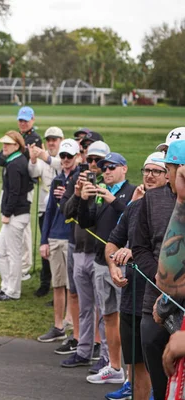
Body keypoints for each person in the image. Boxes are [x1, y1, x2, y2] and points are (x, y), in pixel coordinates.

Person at [103, 153, 167, 400]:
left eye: (157, 171)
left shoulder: (174, 208)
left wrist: (137, 251)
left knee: (160, 367)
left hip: (157, 302)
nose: (150, 175)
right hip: (131, 296)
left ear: (169, 176)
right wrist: (113, 265)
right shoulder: (134, 207)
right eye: (146, 170)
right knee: (136, 368)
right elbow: (112, 242)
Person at [132, 139, 185, 400]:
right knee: (161, 378)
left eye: (170, 165)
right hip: (155, 302)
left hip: (177, 307)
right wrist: (159, 278)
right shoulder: (151, 200)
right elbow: (139, 247)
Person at [78, 152, 136, 385]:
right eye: (104, 168)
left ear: (124, 169)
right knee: (108, 316)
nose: (107, 171)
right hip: (102, 263)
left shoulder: (132, 192)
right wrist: (83, 199)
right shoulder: (100, 192)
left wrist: (111, 200)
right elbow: (85, 222)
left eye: (112, 167)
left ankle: (131, 375)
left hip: (124, 265)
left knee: (128, 319)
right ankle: (114, 367)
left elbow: (133, 217)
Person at [60, 140, 111, 371]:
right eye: (89, 159)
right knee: (85, 306)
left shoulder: (109, 185)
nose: (92, 165)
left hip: (99, 254)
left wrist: (98, 194)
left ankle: (107, 356)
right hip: (79, 250)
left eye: (98, 161)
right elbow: (67, 213)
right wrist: (79, 194)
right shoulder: (78, 181)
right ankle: (83, 350)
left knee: (105, 308)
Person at [37, 139, 79, 343]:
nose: (65, 160)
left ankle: (72, 324)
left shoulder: (81, 180)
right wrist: (43, 240)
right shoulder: (56, 180)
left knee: (73, 286)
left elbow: (78, 211)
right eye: (62, 156)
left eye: (69, 156)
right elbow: (50, 212)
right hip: (55, 236)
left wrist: (67, 197)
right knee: (58, 284)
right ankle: (58, 325)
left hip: (72, 238)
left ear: (77, 157)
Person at [0, 131, 32, 302]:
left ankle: (13, 292)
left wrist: (6, 213)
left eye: (7, 144)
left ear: (17, 146)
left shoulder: (16, 164)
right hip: (15, 214)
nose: (4, 147)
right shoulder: (13, 161)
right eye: (3, 144)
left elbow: (15, 192)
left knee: (13, 254)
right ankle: (6, 285)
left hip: (16, 215)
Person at [28, 127, 63, 297]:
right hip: (45, 210)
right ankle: (45, 282)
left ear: (61, 140)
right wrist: (34, 159)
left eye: (54, 139)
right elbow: (34, 173)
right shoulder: (43, 158)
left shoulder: (65, 157)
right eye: (48, 139)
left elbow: (61, 166)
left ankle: (60, 286)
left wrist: (45, 157)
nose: (51, 142)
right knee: (45, 248)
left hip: (62, 212)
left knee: (59, 250)